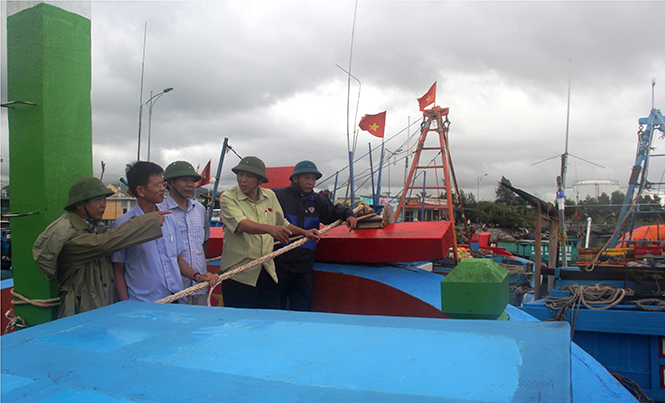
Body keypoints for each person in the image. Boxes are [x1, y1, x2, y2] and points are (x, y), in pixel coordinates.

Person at [32, 177, 169, 318]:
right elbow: (103, 244)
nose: (103, 205)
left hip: (102, 306)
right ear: (79, 204)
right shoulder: (68, 235)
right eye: (98, 200)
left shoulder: (95, 227)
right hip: (80, 310)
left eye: (104, 199)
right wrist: (146, 222)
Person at [111, 161, 217, 303]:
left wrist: (197, 276)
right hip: (144, 303)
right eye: (157, 185)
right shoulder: (123, 225)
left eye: (162, 184)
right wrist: (125, 305)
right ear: (141, 191)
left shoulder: (169, 219)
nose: (162, 189)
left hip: (177, 298)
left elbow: (177, 259)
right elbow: (118, 271)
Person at [220, 156, 318, 309]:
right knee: (239, 324)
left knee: (270, 320)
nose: (243, 180)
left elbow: (282, 222)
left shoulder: (270, 196)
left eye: (249, 176)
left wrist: (304, 232)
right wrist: (269, 229)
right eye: (240, 175)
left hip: (266, 270)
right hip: (239, 275)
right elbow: (241, 225)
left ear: (260, 180)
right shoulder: (228, 197)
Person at [273, 160, 357, 311]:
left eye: (313, 178)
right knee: (273, 308)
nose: (311, 182)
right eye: (306, 178)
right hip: (278, 265)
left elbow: (334, 211)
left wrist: (349, 215)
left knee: (302, 310)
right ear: (295, 179)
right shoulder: (278, 196)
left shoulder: (318, 201)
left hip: (304, 268)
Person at [158, 161, 210, 306]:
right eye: (184, 180)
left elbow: (204, 241)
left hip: (199, 286)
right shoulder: (159, 210)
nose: (190, 184)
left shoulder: (200, 209)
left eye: (192, 180)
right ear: (169, 183)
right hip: (172, 289)